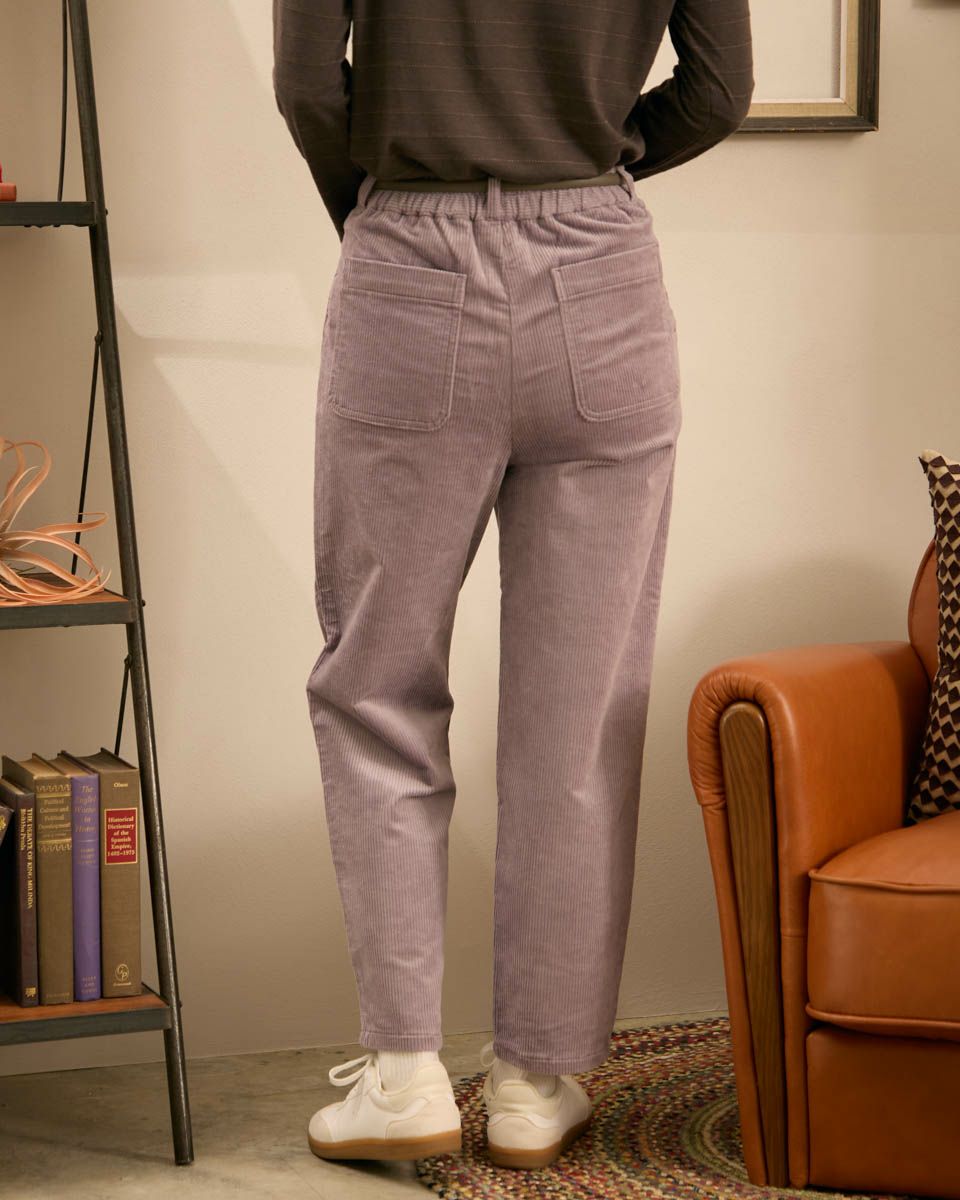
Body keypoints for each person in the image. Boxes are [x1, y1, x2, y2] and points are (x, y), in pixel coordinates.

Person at [272, 0, 754, 1170]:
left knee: (377, 685)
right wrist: (590, 162)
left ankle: (403, 1074)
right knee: (579, 710)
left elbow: (307, 83)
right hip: (600, 271)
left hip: (409, 262)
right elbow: (718, 90)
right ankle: (536, 1081)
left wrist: (384, 208)